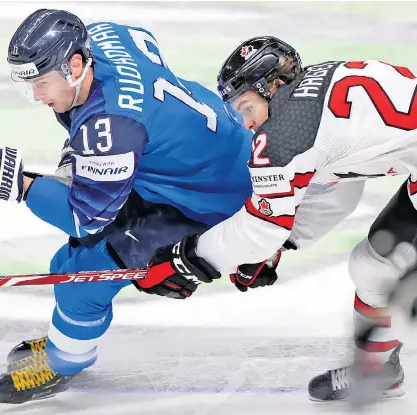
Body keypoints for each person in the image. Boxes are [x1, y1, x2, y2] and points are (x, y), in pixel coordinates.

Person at [0, 9, 253, 404]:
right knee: (66, 263)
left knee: (84, 276)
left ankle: (63, 363)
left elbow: (83, 219)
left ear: (75, 64)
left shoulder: (111, 126)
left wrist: (16, 184)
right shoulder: (104, 38)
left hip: (209, 202)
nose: (38, 97)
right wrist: (74, 160)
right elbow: (136, 49)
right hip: (196, 162)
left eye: (42, 83)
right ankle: (69, 338)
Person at [139, 35, 417, 402]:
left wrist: (189, 259)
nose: (245, 122)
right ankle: (377, 368)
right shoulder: (315, 98)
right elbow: (335, 186)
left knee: (379, 268)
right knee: (373, 266)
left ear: (272, 86)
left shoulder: (284, 135)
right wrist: (282, 242)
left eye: (246, 106)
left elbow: (259, 228)